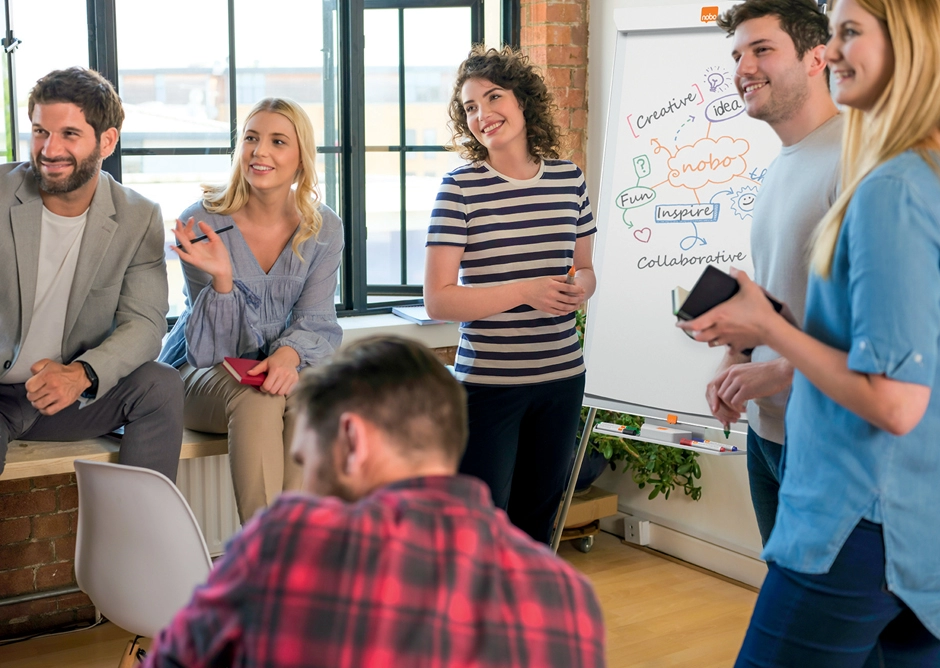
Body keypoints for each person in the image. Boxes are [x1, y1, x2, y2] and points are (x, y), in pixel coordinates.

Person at [680, 0, 940, 662]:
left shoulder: (887, 183)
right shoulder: (908, 170)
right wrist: (748, 332)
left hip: (859, 503)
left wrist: (768, 329)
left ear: (908, 48)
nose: (831, 50)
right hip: (900, 503)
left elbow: (894, 393)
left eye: (847, 34)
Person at [143, 336, 606, 668]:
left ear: (353, 440)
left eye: (310, 462)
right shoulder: (565, 593)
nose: (310, 489)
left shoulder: (284, 545)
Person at [424, 46, 596, 545]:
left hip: (562, 378)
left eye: (493, 97)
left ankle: (528, 620)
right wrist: (527, 290)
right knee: (480, 526)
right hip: (488, 385)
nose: (482, 114)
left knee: (537, 520)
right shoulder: (459, 189)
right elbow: (438, 299)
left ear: (524, 101)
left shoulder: (569, 179)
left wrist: (576, 290)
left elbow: (585, 270)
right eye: (471, 107)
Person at [160, 97, 343, 523]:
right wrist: (223, 281)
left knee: (310, 397)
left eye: (277, 141)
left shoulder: (323, 228)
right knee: (259, 399)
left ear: (301, 158)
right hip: (199, 374)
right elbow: (210, 351)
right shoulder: (203, 221)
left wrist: (288, 355)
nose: (259, 152)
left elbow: (316, 320)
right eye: (251, 139)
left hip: (278, 371)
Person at [0, 67, 183, 481]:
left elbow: (146, 324)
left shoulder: (138, 216)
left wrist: (81, 374)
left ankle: (139, 539)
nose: (49, 149)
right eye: (40, 132)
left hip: (70, 395)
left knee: (160, 385)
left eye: (68, 134)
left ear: (107, 141)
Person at [710, 0, 841, 545]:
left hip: (826, 442)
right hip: (768, 434)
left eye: (763, 49)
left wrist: (782, 371)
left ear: (818, 57)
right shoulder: (779, 166)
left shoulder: (855, 160)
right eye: (738, 54)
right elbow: (778, 296)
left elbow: (884, 329)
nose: (744, 69)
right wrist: (734, 356)